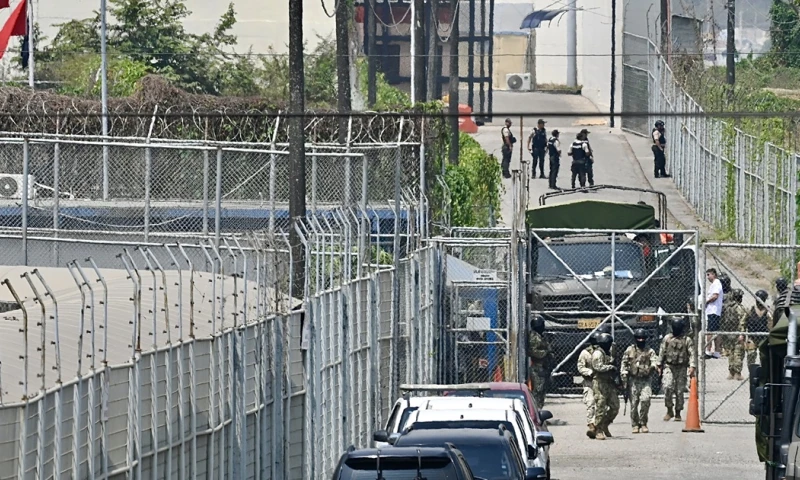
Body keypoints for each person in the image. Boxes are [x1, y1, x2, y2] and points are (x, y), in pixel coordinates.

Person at [657, 316, 696, 422]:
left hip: (681, 368)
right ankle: (669, 409)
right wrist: (659, 365)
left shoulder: (687, 340)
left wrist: (692, 366)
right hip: (669, 366)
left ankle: (678, 412)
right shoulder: (667, 339)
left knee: (679, 391)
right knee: (667, 387)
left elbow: (692, 354)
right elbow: (662, 351)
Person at [621, 329, 658, 434]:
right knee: (634, 404)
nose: (641, 340)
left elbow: (655, 361)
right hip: (633, 380)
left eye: (642, 338)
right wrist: (624, 377)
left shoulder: (649, 351)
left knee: (645, 400)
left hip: (645, 380)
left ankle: (643, 423)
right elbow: (624, 363)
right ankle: (635, 424)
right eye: (639, 338)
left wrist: (653, 367)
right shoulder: (629, 350)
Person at [590, 333, 619, 440]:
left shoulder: (609, 353)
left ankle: (605, 424)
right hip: (599, 383)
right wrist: (610, 367)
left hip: (609, 383)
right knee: (601, 406)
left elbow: (612, 361)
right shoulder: (598, 353)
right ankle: (598, 429)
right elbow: (597, 366)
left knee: (615, 407)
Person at [577, 332, 599, 438]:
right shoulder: (585, 353)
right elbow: (580, 367)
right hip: (589, 382)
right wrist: (590, 372)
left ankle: (601, 425)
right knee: (590, 403)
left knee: (602, 405)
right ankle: (591, 425)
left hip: (601, 382)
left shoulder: (604, 352)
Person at [722, 289, 748, 380]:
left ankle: (731, 372)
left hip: (728, 332)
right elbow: (742, 322)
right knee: (738, 352)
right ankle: (737, 373)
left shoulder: (728, 307)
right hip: (737, 333)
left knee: (731, 352)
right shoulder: (740, 308)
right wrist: (742, 333)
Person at [528, 315, 553, 408]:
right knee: (537, 390)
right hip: (537, 367)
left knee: (542, 390)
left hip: (544, 366)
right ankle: (535, 410)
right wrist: (545, 353)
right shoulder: (534, 337)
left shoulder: (541, 335)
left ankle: (539, 409)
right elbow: (532, 351)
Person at [745, 289, 770, 367]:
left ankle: (764, 374)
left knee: (764, 356)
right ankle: (752, 373)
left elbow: (771, 324)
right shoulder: (750, 310)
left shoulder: (768, 311)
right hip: (752, 337)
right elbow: (743, 323)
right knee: (751, 355)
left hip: (764, 337)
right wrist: (742, 334)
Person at [704, 268, 724, 358]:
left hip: (714, 311)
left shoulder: (716, 283)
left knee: (710, 332)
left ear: (713, 274)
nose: (707, 277)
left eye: (708, 275)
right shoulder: (715, 284)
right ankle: (716, 352)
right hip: (713, 311)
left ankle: (708, 351)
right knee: (715, 331)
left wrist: (706, 301)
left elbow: (715, 296)